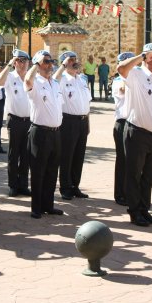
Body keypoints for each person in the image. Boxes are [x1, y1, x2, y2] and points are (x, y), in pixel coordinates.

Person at [117, 43, 152, 227]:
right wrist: (142, 55)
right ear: (146, 59)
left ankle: (144, 209)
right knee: (134, 175)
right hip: (138, 133)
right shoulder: (137, 74)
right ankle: (134, 212)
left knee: (149, 176)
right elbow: (121, 68)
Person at [24, 50, 64, 219]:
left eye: (51, 61)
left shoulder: (54, 83)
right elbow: (27, 80)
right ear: (38, 65)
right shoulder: (35, 82)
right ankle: (36, 207)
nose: (50, 65)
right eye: (46, 62)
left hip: (56, 133)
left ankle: (49, 205)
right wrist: (35, 63)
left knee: (52, 171)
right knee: (38, 171)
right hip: (40, 132)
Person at [55, 51, 92, 200]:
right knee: (67, 156)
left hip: (83, 121)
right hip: (68, 121)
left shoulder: (82, 79)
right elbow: (54, 80)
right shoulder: (62, 79)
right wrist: (63, 66)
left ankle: (75, 186)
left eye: (75, 59)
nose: (74, 62)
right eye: (70, 60)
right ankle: (65, 187)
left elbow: (87, 102)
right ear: (64, 63)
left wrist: (88, 123)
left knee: (78, 156)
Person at [0, 49, 32, 197]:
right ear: (15, 62)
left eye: (25, 61)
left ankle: (23, 185)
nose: (22, 64)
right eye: (19, 61)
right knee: (14, 154)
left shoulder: (31, 77)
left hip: (29, 121)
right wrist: (9, 65)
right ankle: (13, 185)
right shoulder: (10, 76)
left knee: (26, 155)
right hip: (15, 120)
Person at [112, 52, 135, 206]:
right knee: (123, 161)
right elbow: (122, 90)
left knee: (134, 162)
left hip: (135, 124)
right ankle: (120, 194)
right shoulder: (118, 81)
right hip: (122, 123)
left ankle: (131, 193)